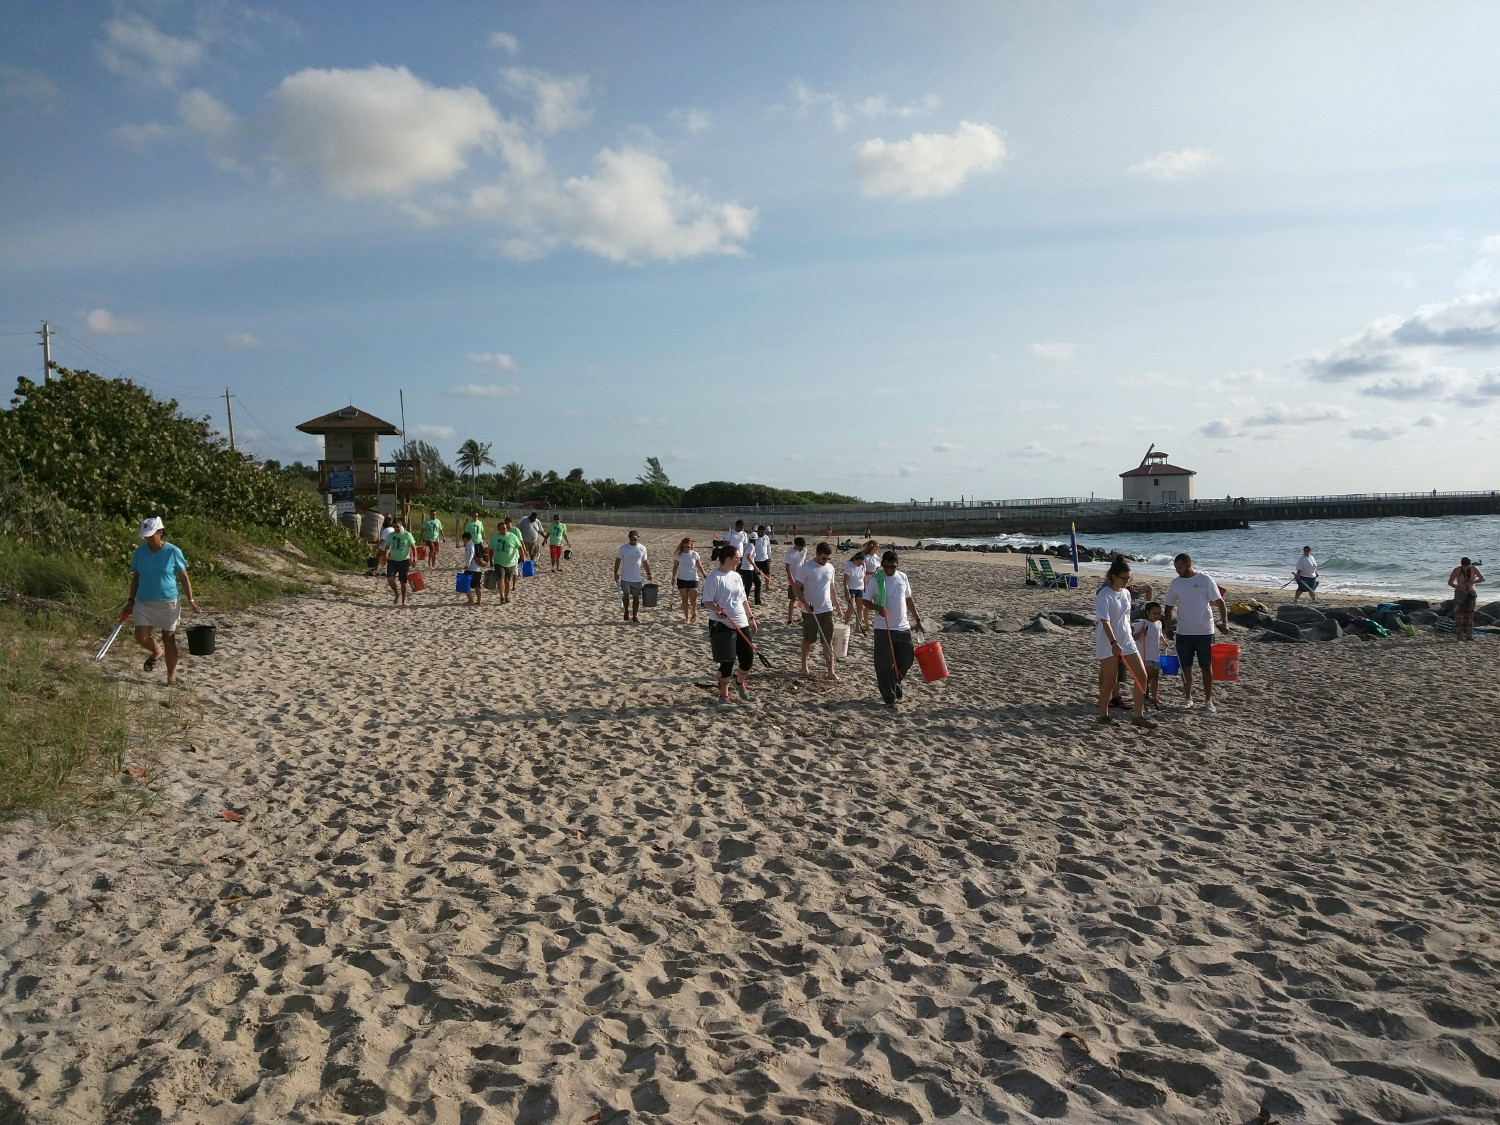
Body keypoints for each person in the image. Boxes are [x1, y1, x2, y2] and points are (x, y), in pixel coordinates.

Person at [125, 516, 200, 686]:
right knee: (141, 636)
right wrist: (131, 599)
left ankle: (171, 678)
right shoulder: (140, 552)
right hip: (143, 601)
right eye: (145, 536)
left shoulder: (173, 551)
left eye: (150, 535)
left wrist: (191, 600)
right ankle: (157, 651)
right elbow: (136, 578)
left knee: (169, 637)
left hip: (168, 602)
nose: (147, 538)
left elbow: (183, 577)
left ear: (160, 532)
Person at [1163, 552, 1228, 711]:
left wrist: (1225, 622)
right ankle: (1188, 697)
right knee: (1186, 666)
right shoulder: (1176, 583)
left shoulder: (1205, 580)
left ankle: (1208, 700)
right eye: (1176, 568)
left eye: (1180, 568)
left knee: (1206, 667)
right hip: (1184, 632)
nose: (1178, 571)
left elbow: (1220, 602)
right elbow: (1169, 607)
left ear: (1189, 565)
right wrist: (1168, 627)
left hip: (1205, 631)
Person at [863, 550, 927, 708]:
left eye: (893, 567)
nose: (890, 570)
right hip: (883, 628)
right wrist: (878, 608)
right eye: (887, 567)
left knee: (907, 659)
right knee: (883, 664)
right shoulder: (876, 580)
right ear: (882, 565)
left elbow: (908, 599)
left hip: (903, 626)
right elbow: (865, 601)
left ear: (897, 565)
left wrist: (918, 620)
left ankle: (896, 681)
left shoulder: (903, 577)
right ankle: (889, 697)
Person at [1095, 557, 1154, 726]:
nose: (1127, 581)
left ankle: (1137, 716)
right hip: (1107, 640)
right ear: (1113, 576)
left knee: (1141, 675)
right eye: (1124, 578)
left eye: (1129, 578)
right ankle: (1103, 715)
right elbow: (1104, 621)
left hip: (1126, 639)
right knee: (1110, 680)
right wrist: (1113, 642)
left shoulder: (1127, 593)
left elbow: (1125, 619)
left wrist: (1133, 636)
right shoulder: (1104, 595)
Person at [701, 544, 756, 704]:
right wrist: (717, 608)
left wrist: (751, 618)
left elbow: (743, 599)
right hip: (721, 624)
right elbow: (706, 601)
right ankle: (723, 694)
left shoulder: (737, 576)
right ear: (728, 559)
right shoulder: (714, 577)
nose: (739, 560)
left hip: (741, 621)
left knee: (747, 660)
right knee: (727, 661)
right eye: (737, 558)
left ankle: (738, 682)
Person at [794, 541, 841, 679]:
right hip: (810, 610)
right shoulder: (806, 567)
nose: (826, 561)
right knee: (808, 639)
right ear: (817, 554)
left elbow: (832, 589)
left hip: (827, 609)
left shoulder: (830, 568)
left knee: (828, 640)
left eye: (828, 559)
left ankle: (831, 671)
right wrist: (804, 602)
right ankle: (804, 666)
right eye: (823, 558)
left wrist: (837, 606)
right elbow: (796, 587)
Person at [614, 530, 652, 623]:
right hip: (625, 577)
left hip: (637, 577)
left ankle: (635, 615)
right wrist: (615, 572)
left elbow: (645, 562)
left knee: (636, 597)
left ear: (638, 538)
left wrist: (648, 573)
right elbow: (618, 560)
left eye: (634, 539)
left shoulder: (642, 548)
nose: (632, 541)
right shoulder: (623, 548)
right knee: (626, 595)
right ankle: (626, 611)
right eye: (631, 539)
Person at [1132, 601, 1165, 707]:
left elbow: (1159, 634)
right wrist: (1141, 633)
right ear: (1147, 613)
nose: (1157, 616)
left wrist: (1164, 642)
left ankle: (1154, 695)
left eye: (1159, 613)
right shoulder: (1142, 623)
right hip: (1144, 654)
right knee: (1147, 676)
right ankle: (1144, 694)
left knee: (1155, 676)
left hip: (1155, 654)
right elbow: (1134, 637)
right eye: (1154, 613)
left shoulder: (1159, 623)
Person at [1448, 556, 1486, 642]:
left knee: (1469, 614)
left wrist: (1473, 582)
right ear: (1462, 565)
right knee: (1459, 614)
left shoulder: (1473, 568)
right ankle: (1459, 635)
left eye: (1468, 566)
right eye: (1464, 566)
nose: (1466, 568)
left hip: (1471, 593)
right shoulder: (1457, 570)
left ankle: (1469, 635)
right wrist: (1459, 588)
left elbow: (1483, 578)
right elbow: (1450, 582)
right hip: (1460, 593)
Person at [489, 516, 526, 605]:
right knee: (500, 579)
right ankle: (502, 597)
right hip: (498, 562)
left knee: (507, 581)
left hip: (510, 562)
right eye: (502, 529)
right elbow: (490, 549)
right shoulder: (494, 538)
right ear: (498, 529)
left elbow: (519, 546)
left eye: (505, 528)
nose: (504, 530)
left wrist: (523, 556)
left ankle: (506, 596)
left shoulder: (512, 536)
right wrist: (490, 560)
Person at [671, 536, 706, 623]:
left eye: (688, 547)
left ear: (691, 546)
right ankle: (687, 617)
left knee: (693, 599)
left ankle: (694, 611)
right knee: (684, 599)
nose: (686, 548)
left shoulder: (695, 554)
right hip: (681, 579)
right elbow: (675, 567)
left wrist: (705, 575)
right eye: (684, 547)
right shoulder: (679, 555)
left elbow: (699, 565)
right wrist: (673, 577)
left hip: (693, 579)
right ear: (682, 546)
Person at [385, 519, 417, 605]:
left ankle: (404, 600)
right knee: (390, 579)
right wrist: (385, 557)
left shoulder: (407, 535)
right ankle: (396, 594)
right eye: (394, 527)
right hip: (392, 560)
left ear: (401, 526)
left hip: (404, 561)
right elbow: (388, 547)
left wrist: (414, 559)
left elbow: (413, 547)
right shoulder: (391, 535)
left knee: (403, 581)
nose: (396, 528)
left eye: (397, 527)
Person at [842, 549, 869, 633]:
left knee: (860, 607)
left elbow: (864, 577)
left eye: (862, 562)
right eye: (859, 562)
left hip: (860, 589)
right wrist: (847, 593)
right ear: (856, 559)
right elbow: (845, 582)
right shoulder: (848, 566)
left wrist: (865, 588)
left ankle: (857, 628)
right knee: (851, 607)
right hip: (851, 589)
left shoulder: (863, 565)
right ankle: (845, 625)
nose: (860, 564)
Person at [783, 536, 807, 625]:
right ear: (795, 545)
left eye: (803, 547)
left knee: (804, 599)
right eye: (800, 547)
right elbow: (788, 569)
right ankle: (790, 619)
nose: (801, 549)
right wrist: (792, 582)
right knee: (792, 599)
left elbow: (803, 563)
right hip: (793, 580)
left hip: (803, 579)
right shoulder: (790, 553)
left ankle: (804, 617)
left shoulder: (804, 550)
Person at [737, 528, 762, 606]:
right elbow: (748, 557)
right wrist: (755, 567)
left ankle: (757, 601)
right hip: (747, 568)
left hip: (748, 568)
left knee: (758, 582)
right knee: (748, 586)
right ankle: (745, 601)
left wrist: (754, 567)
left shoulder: (747, 544)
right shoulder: (751, 546)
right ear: (756, 539)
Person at [461, 531, 486, 606]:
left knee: (465, 583)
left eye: (463, 540)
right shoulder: (473, 544)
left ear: (465, 538)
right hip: (478, 568)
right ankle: (479, 601)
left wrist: (467, 564)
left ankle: (471, 600)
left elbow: (471, 553)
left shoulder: (469, 544)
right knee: (477, 585)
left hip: (471, 568)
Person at [752, 525, 774, 606]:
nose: (764, 533)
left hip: (765, 558)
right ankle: (754, 587)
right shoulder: (754, 537)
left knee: (767, 573)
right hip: (756, 559)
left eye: (765, 532)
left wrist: (769, 557)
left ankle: (767, 586)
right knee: (755, 575)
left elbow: (768, 547)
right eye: (762, 532)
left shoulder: (766, 537)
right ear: (758, 531)